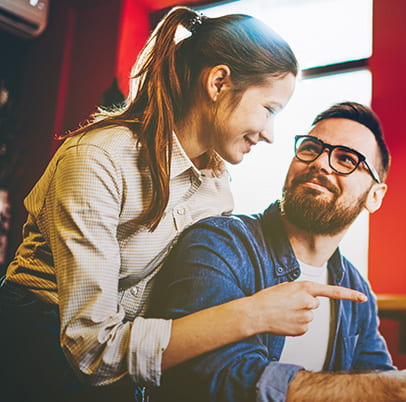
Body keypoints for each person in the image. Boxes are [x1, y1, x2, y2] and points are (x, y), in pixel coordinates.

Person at [0, 7, 366, 402]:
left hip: (123, 366)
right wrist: (254, 314)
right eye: (269, 110)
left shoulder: (217, 188)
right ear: (219, 82)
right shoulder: (97, 159)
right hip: (36, 347)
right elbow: (92, 350)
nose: (270, 134)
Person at [149, 101, 406, 402]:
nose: (321, 163)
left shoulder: (355, 289)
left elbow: (377, 383)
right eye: (311, 148)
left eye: (346, 159)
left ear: (375, 196)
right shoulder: (220, 243)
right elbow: (210, 382)